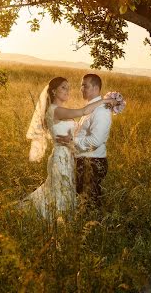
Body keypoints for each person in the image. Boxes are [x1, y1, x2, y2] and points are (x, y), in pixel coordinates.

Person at [23, 76, 118, 220]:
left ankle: (63, 221)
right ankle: (55, 221)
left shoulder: (61, 110)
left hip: (69, 158)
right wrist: (105, 100)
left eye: (68, 87)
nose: (68, 90)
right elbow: (83, 111)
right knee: (60, 191)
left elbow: (87, 133)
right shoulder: (56, 110)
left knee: (65, 191)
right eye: (63, 87)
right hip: (61, 157)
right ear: (53, 91)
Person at [56, 73, 112, 209]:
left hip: (92, 162)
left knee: (90, 204)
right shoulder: (91, 108)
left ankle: (95, 228)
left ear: (95, 88)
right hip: (84, 160)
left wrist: (72, 140)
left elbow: (96, 140)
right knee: (83, 201)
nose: (81, 88)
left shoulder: (101, 111)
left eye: (84, 86)